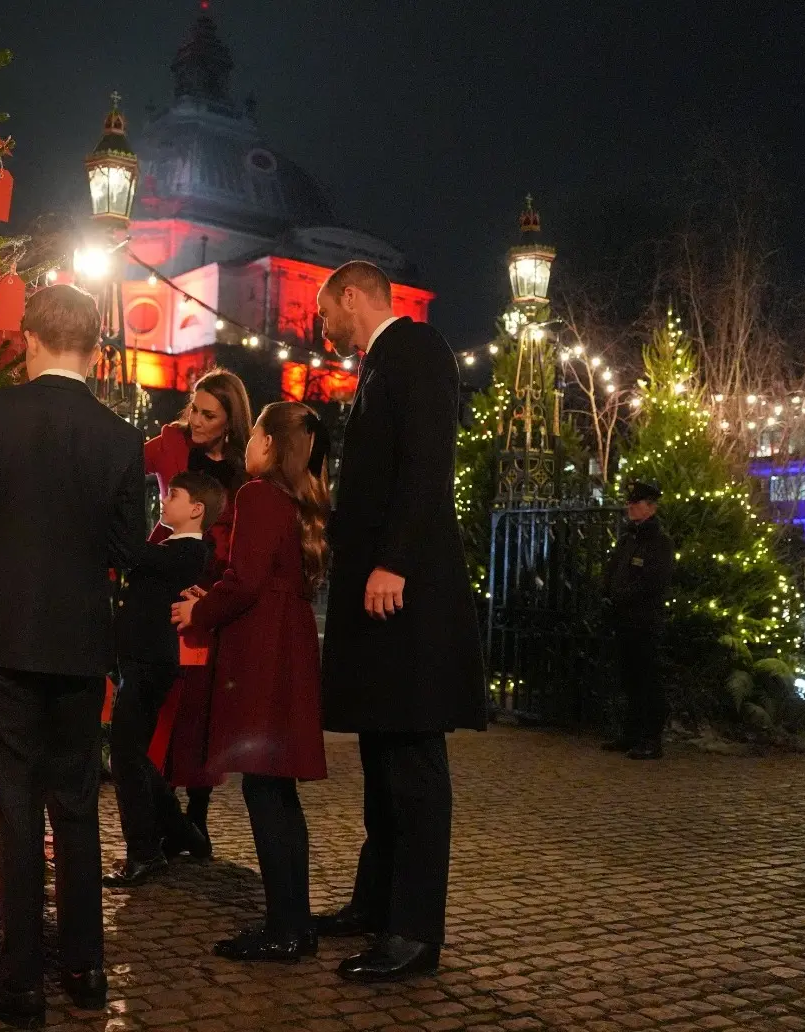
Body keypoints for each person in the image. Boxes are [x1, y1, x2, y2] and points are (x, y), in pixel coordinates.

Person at [0, 283, 146, 1027]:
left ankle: (21, 979)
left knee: (16, 800)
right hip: (82, 637)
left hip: (7, 631)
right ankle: (84, 965)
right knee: (77, 801)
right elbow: (124, 548)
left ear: (30, 337)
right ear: (93, 344)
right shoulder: (119, 437)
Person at [315, 261, 487, 983]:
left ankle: (415, 932)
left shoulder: (415, 350)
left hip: (404, 596)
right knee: (384, 759)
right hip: (383, 595)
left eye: (325, 313)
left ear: (351, 297)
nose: (321, 328)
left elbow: (426, 465)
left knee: (411, 762)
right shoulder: (383, 362)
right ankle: (376, 903)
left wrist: (394, 561)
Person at [173, 402, 330, 962]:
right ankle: (295, 921)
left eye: (255, 436)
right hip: (286, 650)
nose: (247, 445)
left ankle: (285, 927)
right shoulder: (296, 499)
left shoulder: (257, 495)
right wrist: (212, 599)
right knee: (277, 792)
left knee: (266, 791)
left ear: (268, 444)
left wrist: (199, 612)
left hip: (263, 657)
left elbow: (244, 581)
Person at [143, 369, 252, 842]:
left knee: (202, 706)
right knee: (163, 700)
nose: (198, 420)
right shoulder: (171, 443)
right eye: (195, 408)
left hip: (213, 592)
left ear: (230, 421)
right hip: (169, 580)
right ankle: (165, 813)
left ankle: (197, 813)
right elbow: (124, 465)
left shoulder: (245, 467)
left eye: (210, 415)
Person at [105, 471, 226, 887]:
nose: (164, 500)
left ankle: (145, 851)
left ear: (196, 509)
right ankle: (178, 831)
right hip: (138, 659)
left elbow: (133, 554)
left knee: (124, 754)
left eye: (172, 495)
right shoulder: (172, 547)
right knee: (130, 753)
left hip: (151, 662)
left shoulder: (190, 552)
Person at [602, 479, 675, 759]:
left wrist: (623, 597)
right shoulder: (628, 539)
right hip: (623, 620)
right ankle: (630, 733)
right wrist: (608, 593)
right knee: (628, 678)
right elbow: (612, 570)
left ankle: (650, 738)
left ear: (651, 507)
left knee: (647, 678)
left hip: (644, 621)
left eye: (637, 503)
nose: (631, 508)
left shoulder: (659, 543)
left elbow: (653, 582)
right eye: (630, 503)